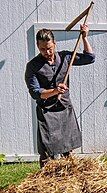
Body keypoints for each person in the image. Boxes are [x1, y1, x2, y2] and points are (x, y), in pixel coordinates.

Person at [25, 24, 95, 168]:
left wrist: (84, 37)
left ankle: (69, 177)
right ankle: (44, 181)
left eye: (49, 48)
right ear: (38, 47)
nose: (47, 52)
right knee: (46, 151)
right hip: (47, 112)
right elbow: (35, 93)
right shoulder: (32, 66)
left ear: (55, 44)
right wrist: (55, 91)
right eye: (42, 49)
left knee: (67, 148)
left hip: (64, 108)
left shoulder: (65, 57)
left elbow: (90, 58)